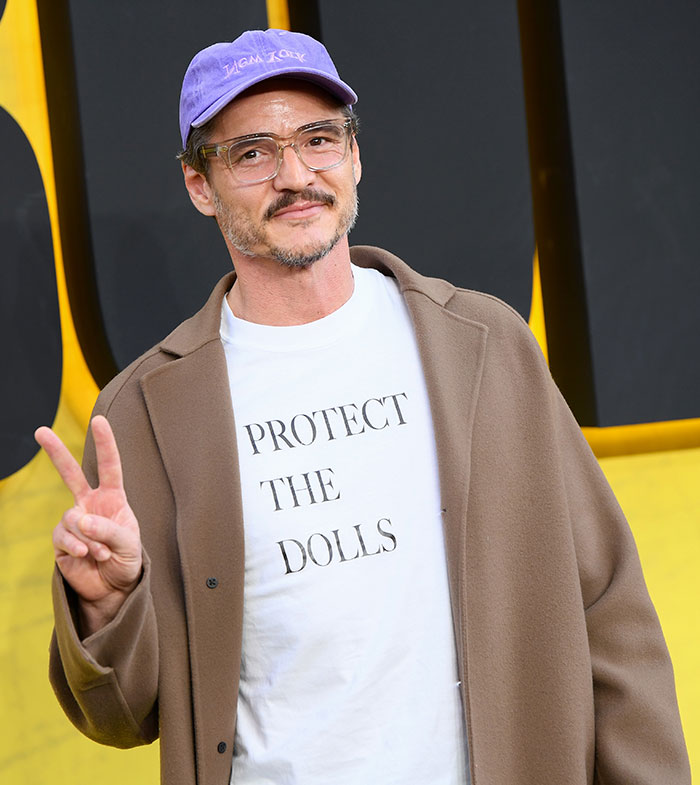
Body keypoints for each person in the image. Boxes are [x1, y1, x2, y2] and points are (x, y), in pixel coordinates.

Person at [35, 28, 690, 785]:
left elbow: (608, 606)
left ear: (353, 155)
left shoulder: (482, 345)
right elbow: (122, 715)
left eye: (318, 139)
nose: (294, 174)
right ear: (198, 184)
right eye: (251, 152)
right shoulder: (144, 413)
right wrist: (109, 605)